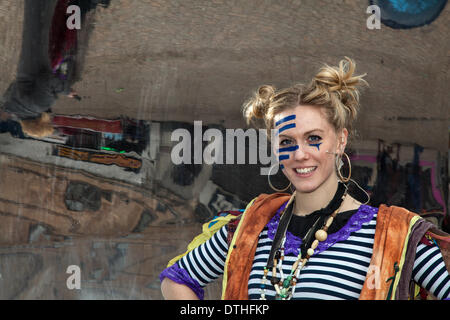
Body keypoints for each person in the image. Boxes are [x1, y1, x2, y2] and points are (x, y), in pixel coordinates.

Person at [160, 57, 450, 300]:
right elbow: (176, 279)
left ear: (340, 141)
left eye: (313, 138)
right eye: (286, 142)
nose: (300, 154)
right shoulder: (249, 229)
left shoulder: (394, 236)